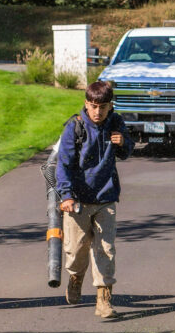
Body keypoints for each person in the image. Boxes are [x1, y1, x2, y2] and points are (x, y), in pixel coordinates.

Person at [55, 80, 134, 318]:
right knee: (76, 250)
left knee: (105, 250)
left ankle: (103, 300)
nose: (97, 112)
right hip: (78, 200)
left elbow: (126, 152)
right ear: (86, 104)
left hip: (106, 197)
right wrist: (66, 195)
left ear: (111, 106)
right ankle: (76, 277)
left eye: (102, 106)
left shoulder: (116, 123)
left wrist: (124, 143)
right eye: (92, 106)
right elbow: (64, 164)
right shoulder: (74, 127)